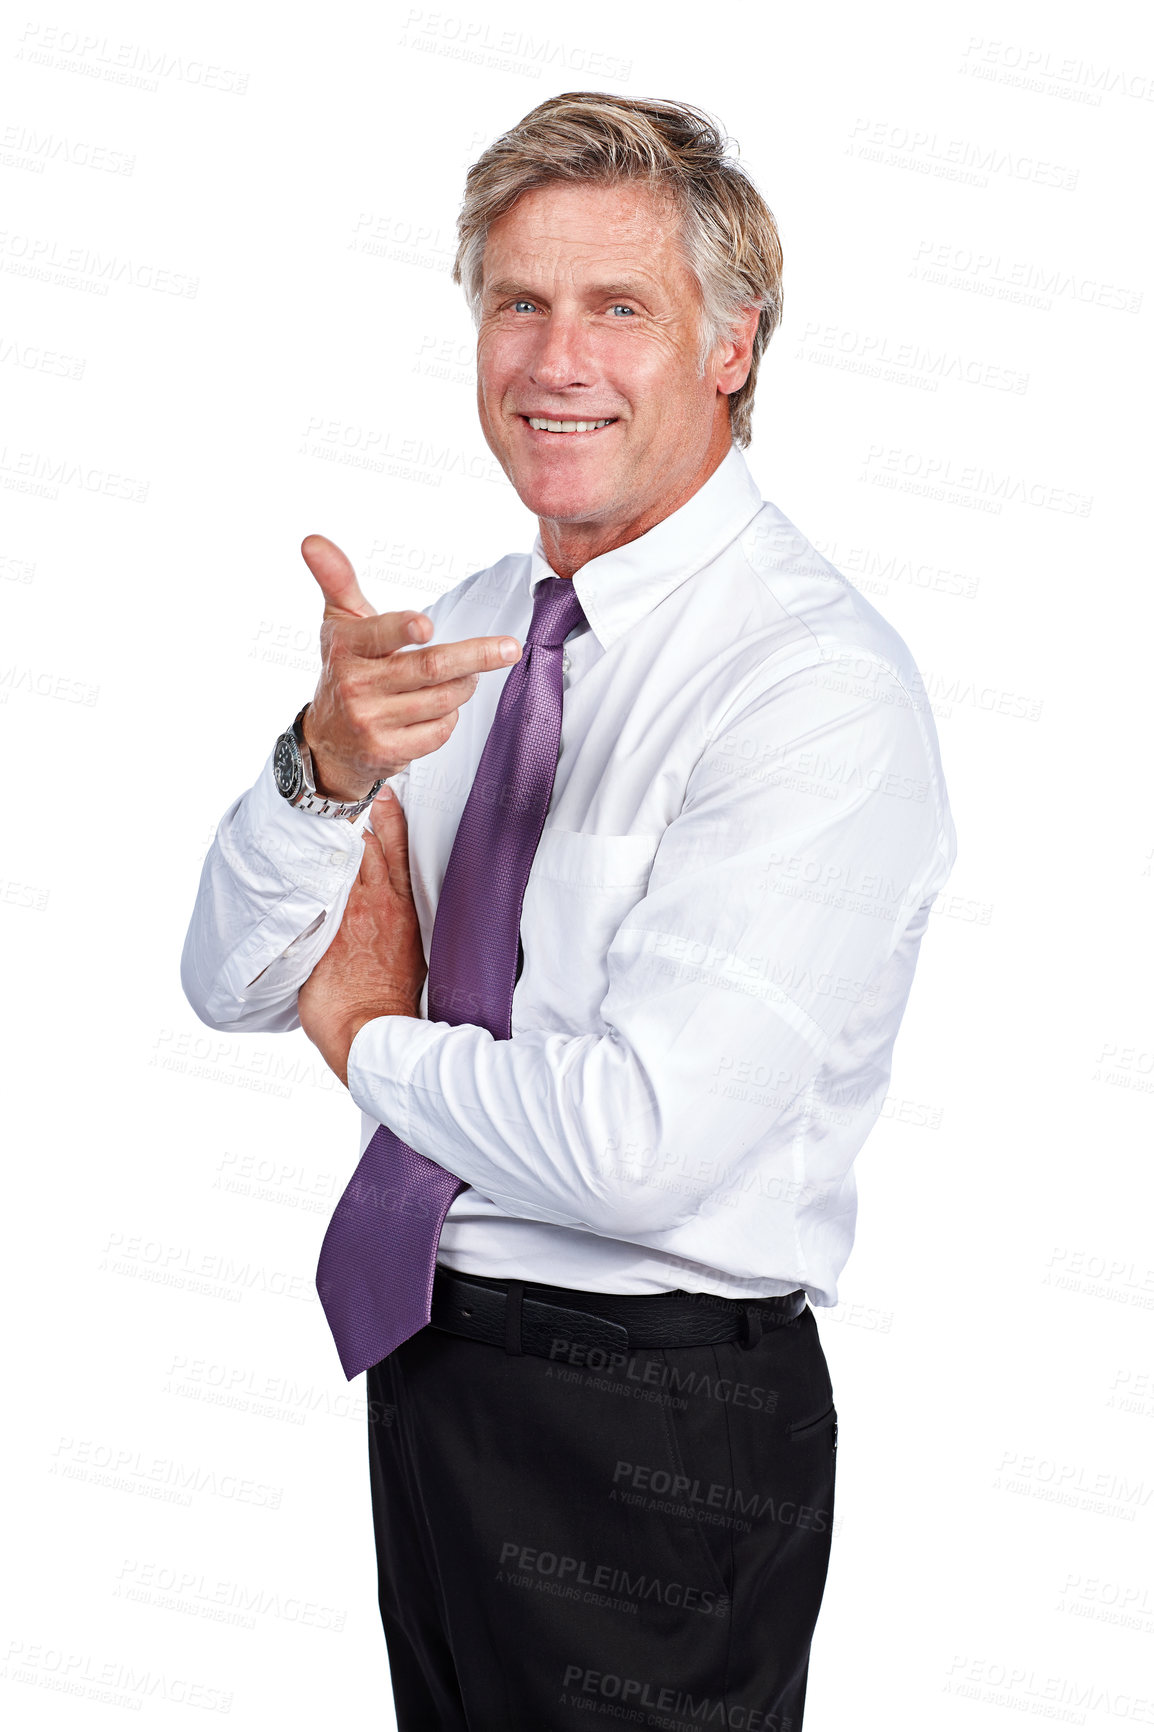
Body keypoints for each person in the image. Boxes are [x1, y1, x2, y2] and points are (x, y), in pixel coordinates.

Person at [182, 92, 956, 1731]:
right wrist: (319, 771)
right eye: (517, 302)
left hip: (657, 1426)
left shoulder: (807, 687)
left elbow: (633, 1145)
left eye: (619, 307)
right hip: (436, 1358)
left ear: (731, 347)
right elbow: (229, 978)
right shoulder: (463, 634)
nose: (555, 359)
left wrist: (367, 1036)